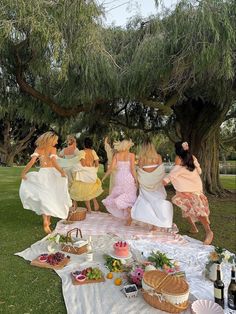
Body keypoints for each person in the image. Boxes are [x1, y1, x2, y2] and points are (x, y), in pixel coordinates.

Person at [19, 131, 72, 234]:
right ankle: (47, 221)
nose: (56, 143)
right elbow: (54, 162)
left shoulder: (38, 149)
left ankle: (46, 221)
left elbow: (32, 162)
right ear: (51, 140)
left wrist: (23, 172)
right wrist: (61, 172)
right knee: (51, 196)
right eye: (55, 140)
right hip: (52, 174)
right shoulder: (52, 149)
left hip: (43, 173)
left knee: (45, 197)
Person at [163, 141, 213, 245]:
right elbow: (199, 171)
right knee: (187, 208)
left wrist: (164, 181)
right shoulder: (192, 157)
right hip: (193, 187)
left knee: (197, 210)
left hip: (189, 189)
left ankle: (209, 232)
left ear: (177, 150)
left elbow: (174, 173)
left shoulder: (178, 158)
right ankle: (194, 228)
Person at [131, 139, 173, 231]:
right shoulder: (158, 157)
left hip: (146, 184)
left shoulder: (142, 158)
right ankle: (156, 225)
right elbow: (161, 171)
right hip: (157, 184)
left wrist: (139, 181)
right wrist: (156, 179)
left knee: (147, 203)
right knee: (157, 203)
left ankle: (152, 223)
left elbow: (140, 171)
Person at [102, 139, 137, 226]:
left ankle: (128, 217)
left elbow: (111, 168)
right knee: (128, 196)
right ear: (127, 146)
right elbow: (132, 169)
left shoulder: (117, 155)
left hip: (119, 178)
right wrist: (136, 179)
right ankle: (130, 215)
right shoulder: (131, 155)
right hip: (128, 178)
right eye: (129, 146)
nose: (129, 147)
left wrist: (104, 177)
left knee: (121, 195)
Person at [69, 137, 103, 213]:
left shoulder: (81, 152)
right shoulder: (93, 151)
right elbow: (97, 164)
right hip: (92, 174)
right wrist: (92, 166)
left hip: (85, 174)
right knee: (91, 191)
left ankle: (89, 210)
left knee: (84, 191)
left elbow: (83, 164)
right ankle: (95, 207)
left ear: (84, 144)